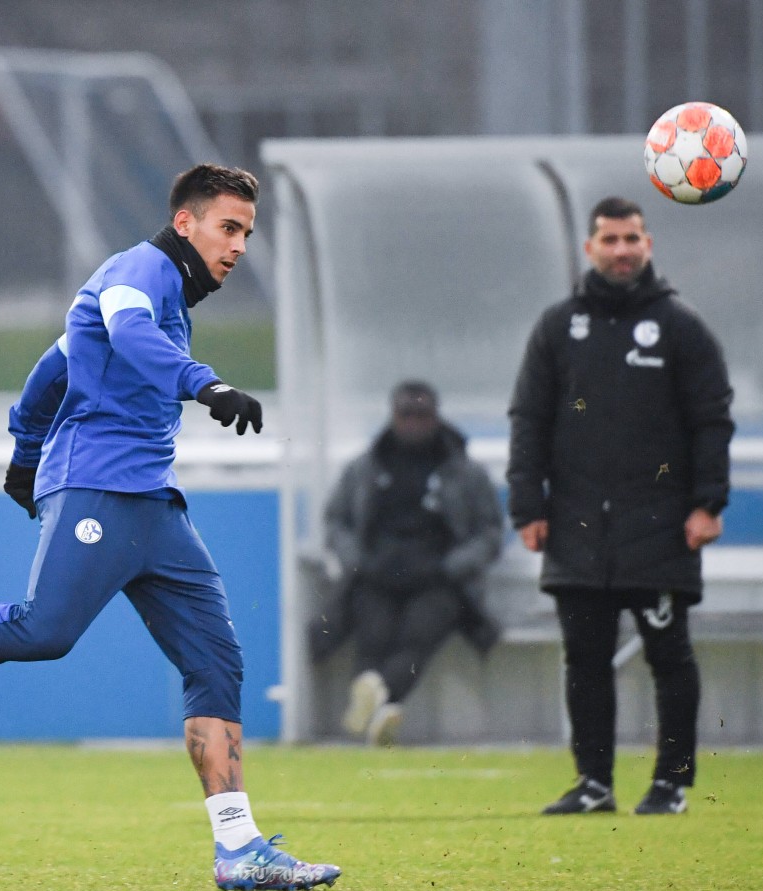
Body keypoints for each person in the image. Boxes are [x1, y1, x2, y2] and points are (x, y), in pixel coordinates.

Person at [0, 164, 339, 891]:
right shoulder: (138, 270)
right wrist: (204, 382)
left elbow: (53, 367)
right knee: (43, 633)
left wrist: (25, 452)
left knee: (216, 665)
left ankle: (238, 847)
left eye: (247, 232)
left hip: (153, 504)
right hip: (98, 484)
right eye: (229, 227)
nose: (240, 246)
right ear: (184, 223)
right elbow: (124, 333)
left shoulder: (167, 299)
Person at [506, 196, 734, 816]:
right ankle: (595, 784)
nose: (622, 250)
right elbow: (530, 418)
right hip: (578, 525)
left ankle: (673, 783)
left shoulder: (681, 326)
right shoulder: (559, 326)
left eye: (632, 238)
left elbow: (711, 419)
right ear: (590, 249)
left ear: (649, 244)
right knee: (584, 660)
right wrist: (527, 506)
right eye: (610, 239)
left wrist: (708, 502)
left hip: (661, 526)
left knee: (669, 656)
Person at [308, 380, 504, 746]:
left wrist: (454, 566)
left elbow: (490, 532)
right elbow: (336, 520)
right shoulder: (365, 467)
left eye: (422, 415)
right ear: (393, 416)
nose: (414, 423)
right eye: (406, 415)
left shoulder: (464, 471)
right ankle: (382, 710)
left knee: (419, 635)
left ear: (436, 418)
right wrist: (357, 560)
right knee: (374, 634)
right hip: (376, 573)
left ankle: (376, 699)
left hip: (439, 577)